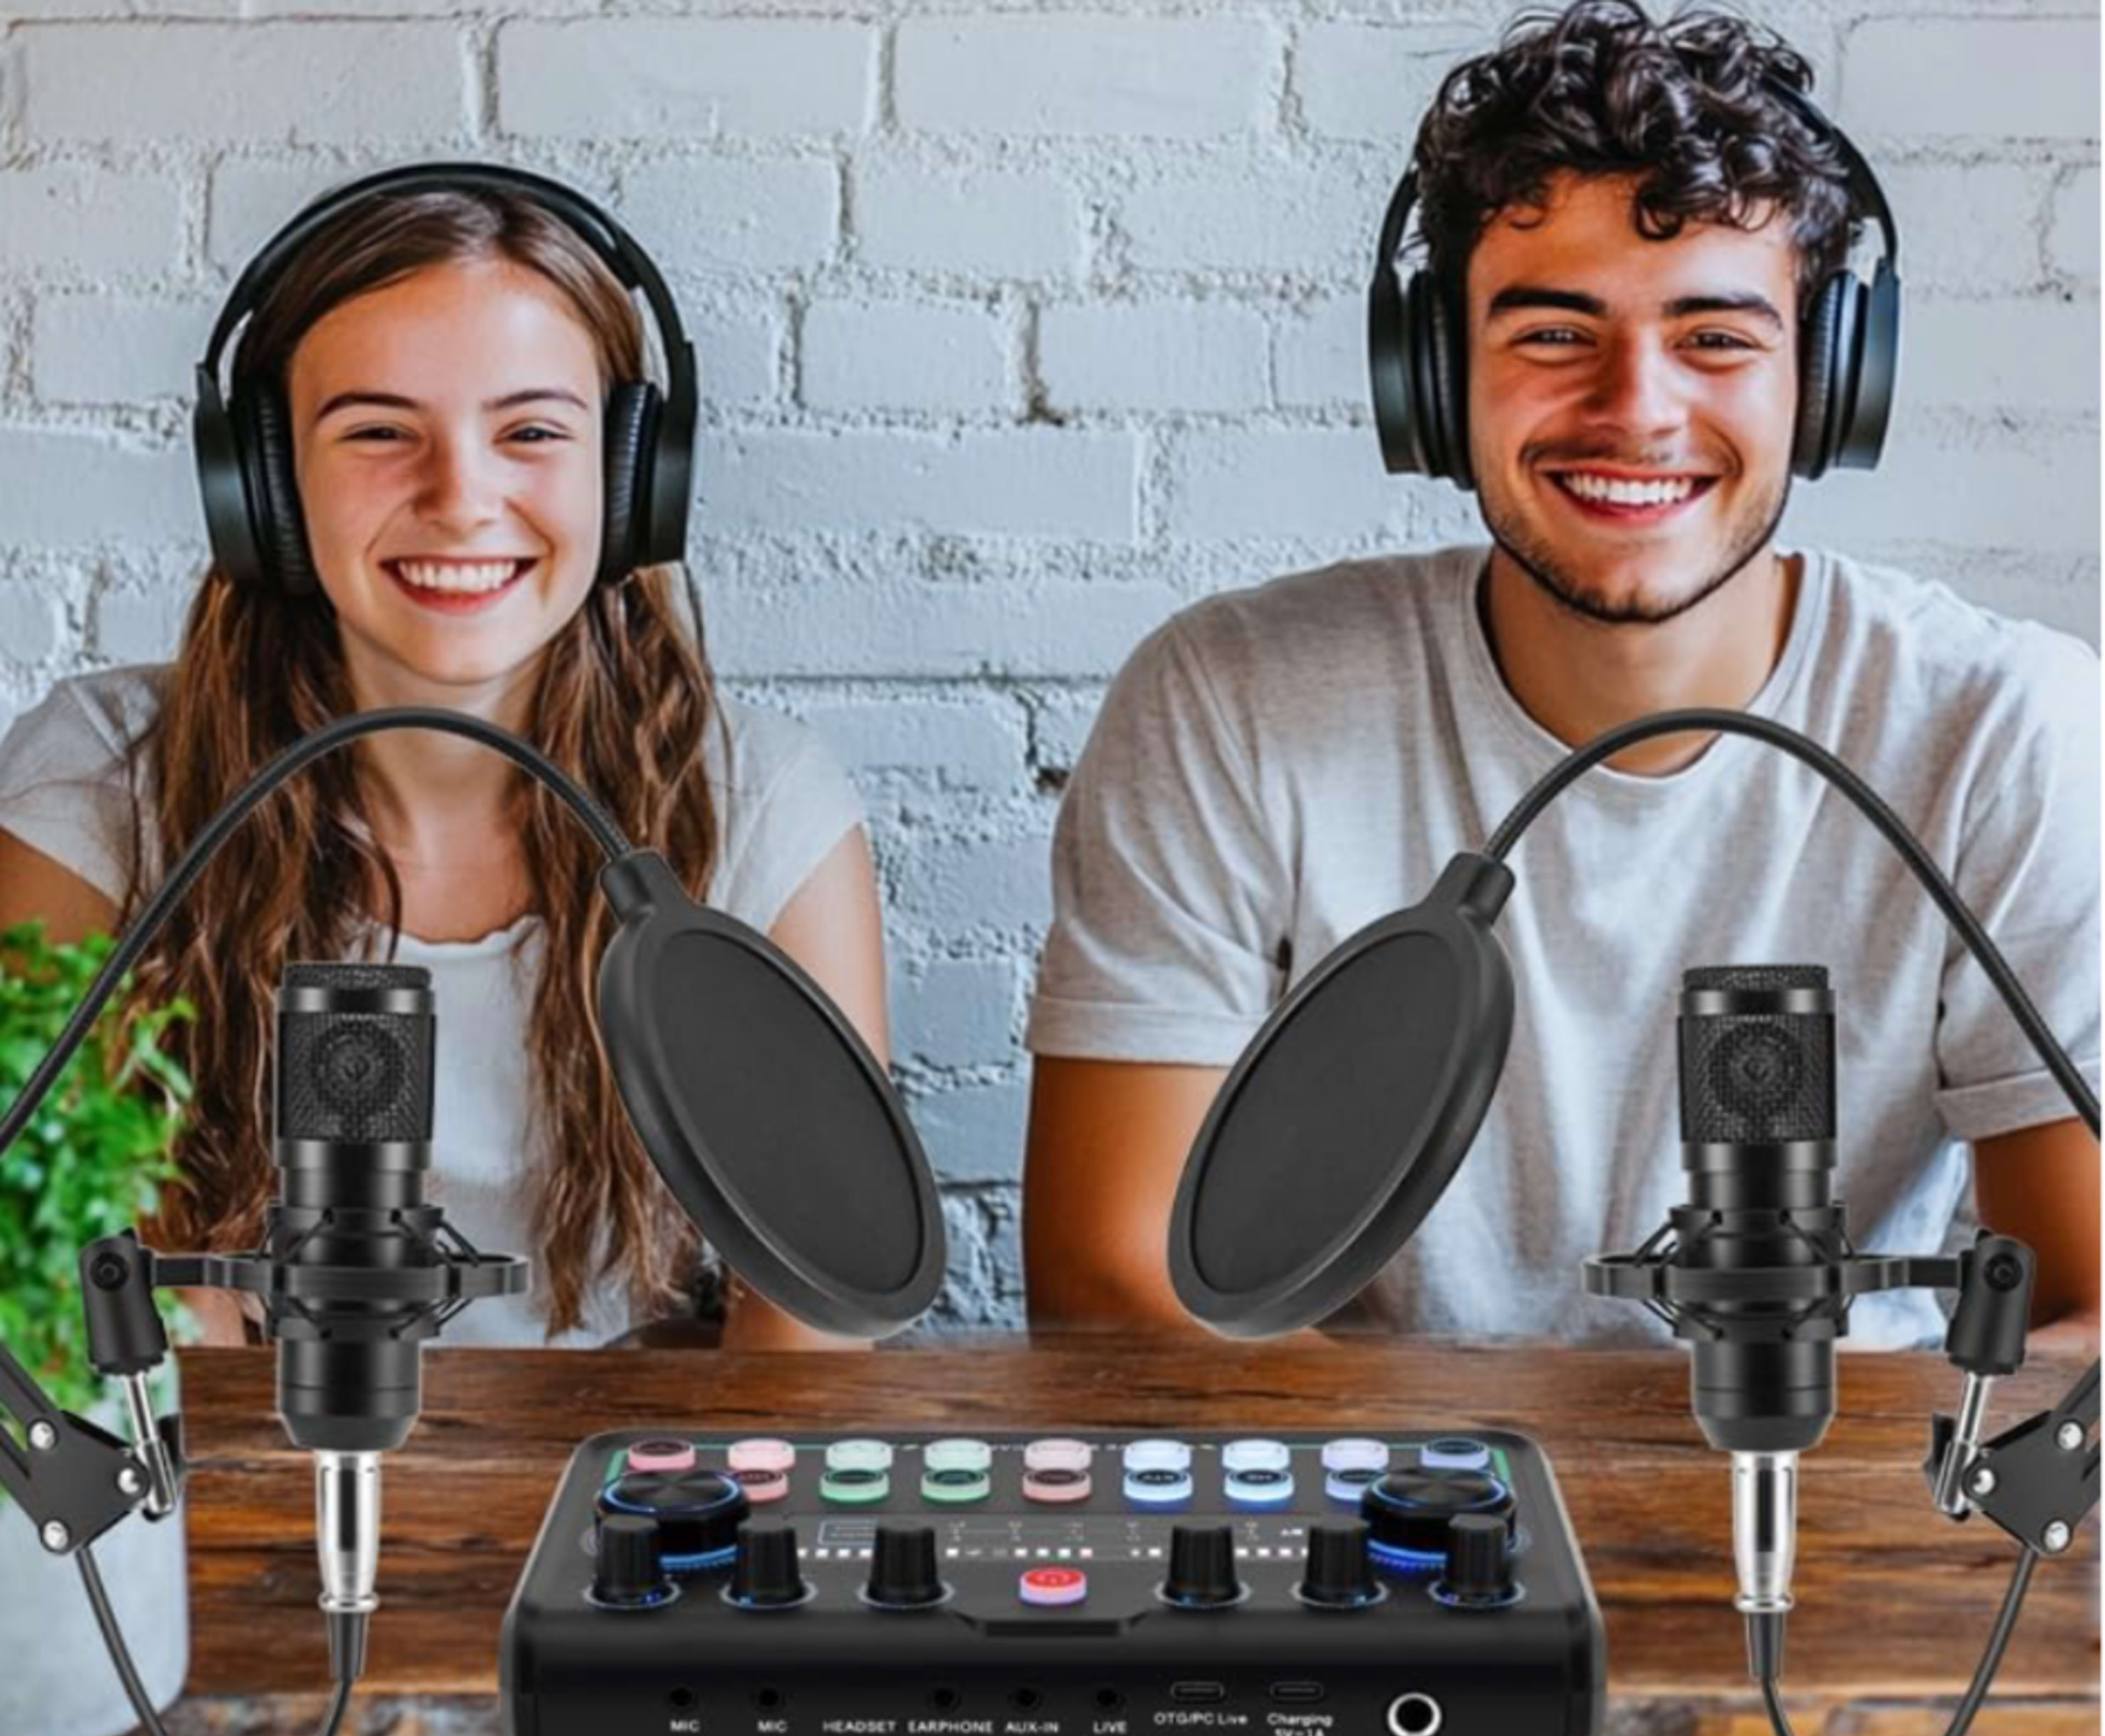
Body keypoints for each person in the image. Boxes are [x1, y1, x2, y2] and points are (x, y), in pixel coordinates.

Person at [1022, 1, 2100, 1348]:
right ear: (1433, 377)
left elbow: (2090, 1306)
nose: (1636, 407)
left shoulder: (2006, 727)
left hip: (1817, 1503)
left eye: (1716, 338)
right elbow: (1109, 1282)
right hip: (1378, 1527)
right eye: (1551, 334)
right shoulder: (1229, 702)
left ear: (1826, 388)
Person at [0, 167, 885, 1350]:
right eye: (377, 431)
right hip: (236, 1473)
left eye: (530, 432)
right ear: (261, 485)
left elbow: (809, 1347)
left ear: (632, 480)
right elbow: (102, 1310)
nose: (462, 498)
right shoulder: (99, 792)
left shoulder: (759, 809)